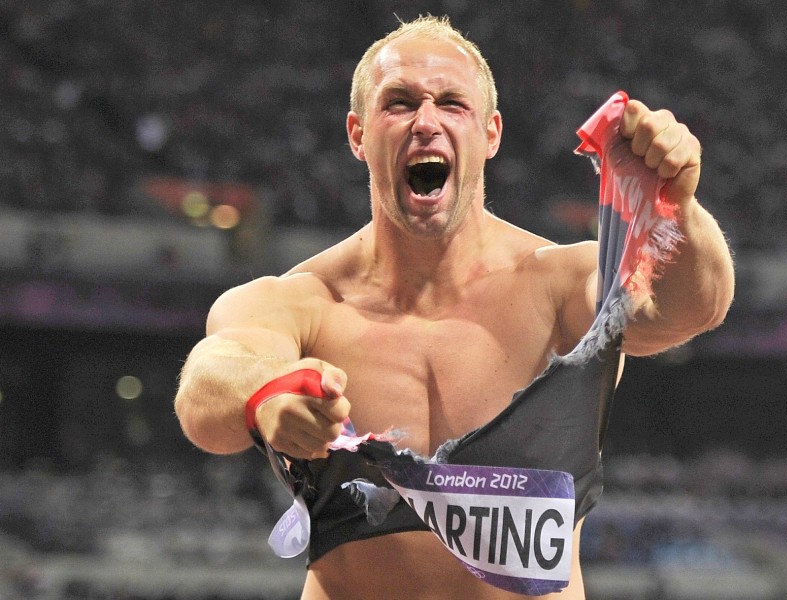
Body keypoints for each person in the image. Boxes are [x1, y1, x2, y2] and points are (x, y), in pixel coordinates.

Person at [174, 15, 734, 600]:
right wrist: (267, 391)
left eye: (451, 104)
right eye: (398, 103)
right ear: (358, 134)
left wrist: (676, 207)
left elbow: (690, 308)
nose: (425, 122)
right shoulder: (304, 301)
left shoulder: (561, 283)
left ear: (490, 134)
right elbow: (211, 379)